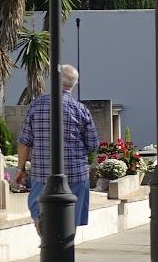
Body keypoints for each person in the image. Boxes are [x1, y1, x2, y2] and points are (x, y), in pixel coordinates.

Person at [14, 64, 99, 229]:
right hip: (75, 174)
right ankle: (64, 247)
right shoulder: (81, 110)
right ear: (74, 84)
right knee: (70, 220)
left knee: (38, 211)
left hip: (42, 174)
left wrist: (20, 168)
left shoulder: (36, 105)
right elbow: (93, 145)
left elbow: (25, 141)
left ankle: (45, 236)